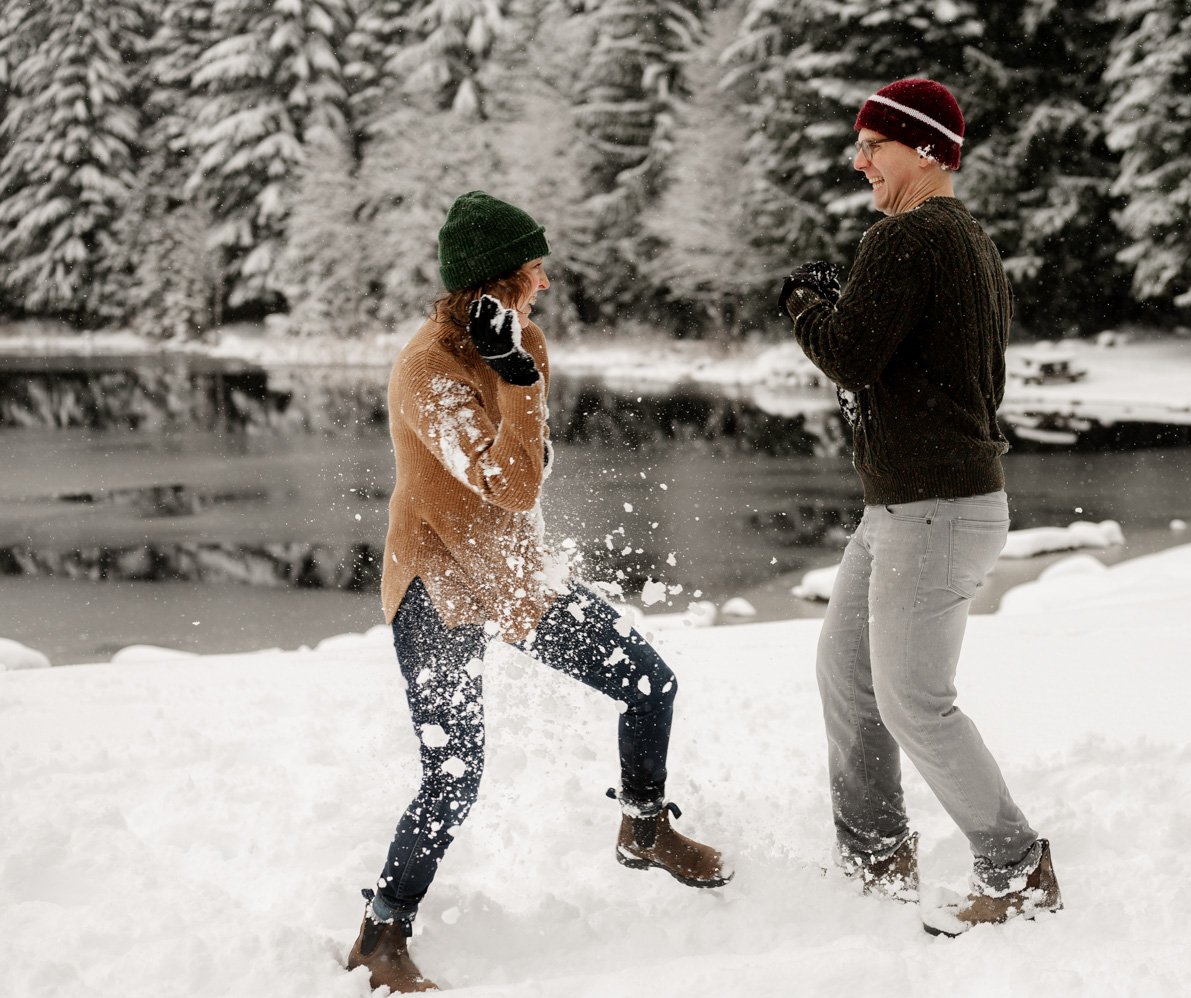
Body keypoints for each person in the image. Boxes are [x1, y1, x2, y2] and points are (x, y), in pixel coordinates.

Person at [346, 191, 732, 993]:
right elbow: (515, 482)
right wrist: (516, 377)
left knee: (648, 683)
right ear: (492, 283)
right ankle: (380, 936)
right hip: (439, 583)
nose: (546, 285)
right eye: (533, 270)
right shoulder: (426, 372)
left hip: (516, 576)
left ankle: (645, 828)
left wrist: (520, 370)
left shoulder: (526, 343)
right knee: (454, 774)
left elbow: (535, 463)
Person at [778, 79, 1061, 937]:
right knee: (847, 675)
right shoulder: (964, 237)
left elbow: (854, 355)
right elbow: (902, 359)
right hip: (913, 506)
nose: (857, 159)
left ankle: (1016, 871)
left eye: (874, 144)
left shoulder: (908, 235)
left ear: (927, 148)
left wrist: (803, 303)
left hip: (933, 508)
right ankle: (874, 858)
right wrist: (844, 302)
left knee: (913, 700)